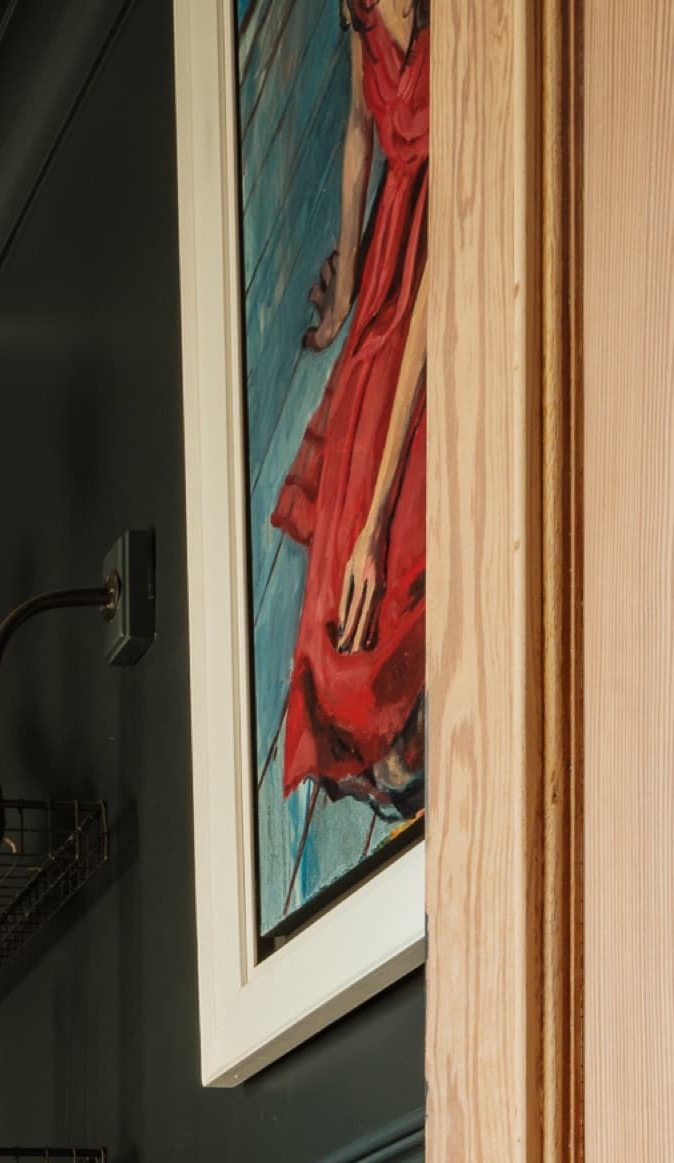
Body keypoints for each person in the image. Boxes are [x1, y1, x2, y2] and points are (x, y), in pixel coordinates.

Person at [273, 0, 428, 825]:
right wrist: (350, 281)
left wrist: (373, 527)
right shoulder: (361, 12)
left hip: (446, 264)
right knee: (333, 566)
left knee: (386, 541)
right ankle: (387, 747)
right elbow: (362, 132)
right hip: (394, 260)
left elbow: (436, 298)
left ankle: (412, 729)